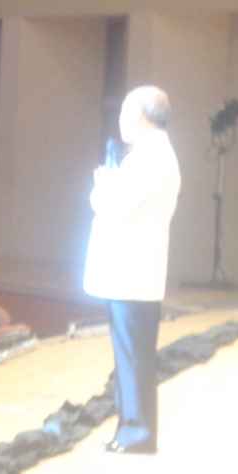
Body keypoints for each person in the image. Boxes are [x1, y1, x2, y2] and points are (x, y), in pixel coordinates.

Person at [87, 86, 179, 455]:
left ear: (141, 116)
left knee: (133, 357)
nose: (121, 120)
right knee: (131, 357)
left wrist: (103, 181)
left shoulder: (150, 158)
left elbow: (113, 206)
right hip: (133, 273)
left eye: (125, 111)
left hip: (132, 274)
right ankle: (130, 428)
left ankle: (137, 433)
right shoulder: (150, 154)